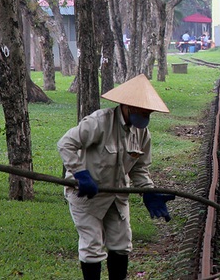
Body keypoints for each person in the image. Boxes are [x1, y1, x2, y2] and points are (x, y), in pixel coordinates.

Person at [57, 74, 175, 280]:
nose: (145, 114)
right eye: (141, 110)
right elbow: (65, 144)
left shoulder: (142, 134)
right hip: (86, 195)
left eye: (148, 111)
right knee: (92, 246)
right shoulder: (99, 123)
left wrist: (148, 191)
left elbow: (139, 169)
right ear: (126, 106)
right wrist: (80, 174)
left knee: (121, 245)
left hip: (117, 196)